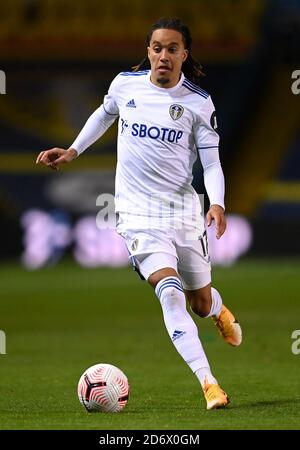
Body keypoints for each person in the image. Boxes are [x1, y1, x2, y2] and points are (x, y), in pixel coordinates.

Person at [36, 17, 242, 410]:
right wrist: (73, 150)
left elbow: (212, 164)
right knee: (170, 293)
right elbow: (103, 114)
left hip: (183, 212)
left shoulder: (198, 104)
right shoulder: (124, 85)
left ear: (185, 54)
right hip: (137, 214)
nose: (164, 56)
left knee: (198, 301)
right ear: (148, 52)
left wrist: (216, 203)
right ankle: (209, 383)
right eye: (157, 48)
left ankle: (215, 308)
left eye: (172, 49)